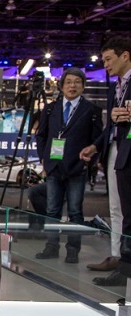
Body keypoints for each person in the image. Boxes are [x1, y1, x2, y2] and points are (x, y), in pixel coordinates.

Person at [35, 68, 103, 264]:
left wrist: (90, 161)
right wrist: (43, 158)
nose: (72, 86)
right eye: (69, 82)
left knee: (75, 211)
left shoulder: (91, 110)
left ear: (83, 86)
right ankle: (51, 246)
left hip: (77, 168)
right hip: (53, 167)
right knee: (52, 210)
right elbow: (41, 135)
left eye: (77, 82)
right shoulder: (51, 108)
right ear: (62, 86)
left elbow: (97, 139)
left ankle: (73, 250)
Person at [80, 36, 131, 289]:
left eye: (109, 59)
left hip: (129, 151)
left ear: (125, 56)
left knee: (128, 211)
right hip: (115, 150)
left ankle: (126, 266)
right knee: (117, 209)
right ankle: (118, 258)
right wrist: (96, 146)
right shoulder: (115, 88)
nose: (106, 65)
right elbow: (111, 126)